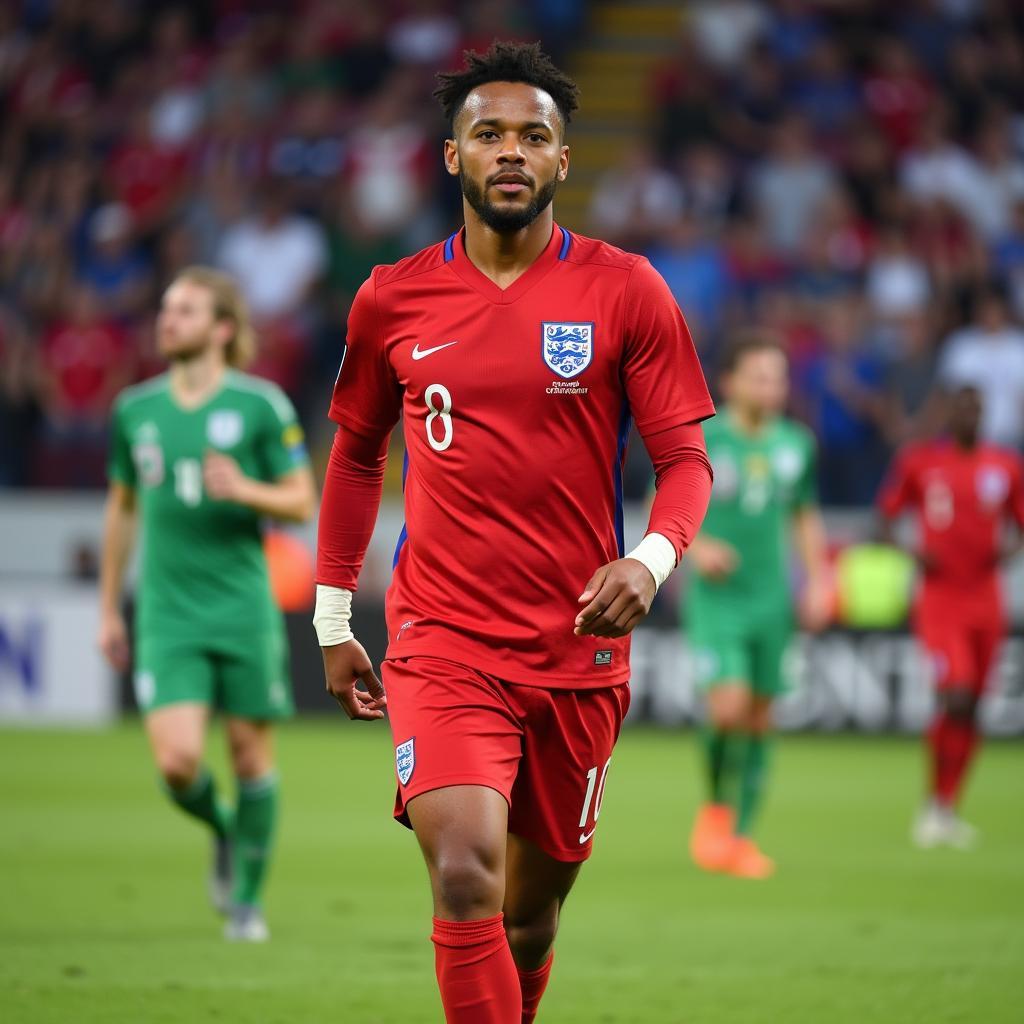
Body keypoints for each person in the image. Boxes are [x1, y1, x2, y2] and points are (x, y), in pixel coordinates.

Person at [313, 41, 715, 1024]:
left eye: (532, 136)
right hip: (443, 641)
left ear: (562, 161)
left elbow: (687, 464)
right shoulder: (391, 298)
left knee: (529, 919)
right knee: (463, 875)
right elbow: (358, 455)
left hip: (578, 653)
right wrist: (332, 617)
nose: (509, 151)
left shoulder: (626, 291)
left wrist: (649, 559)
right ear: (451, 155)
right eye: (486, 133)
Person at [97, 266, 316, 941]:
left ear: (222, 330)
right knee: (177, 762)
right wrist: (109, 607)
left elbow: (302, 500)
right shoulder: (135, 411)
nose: (169, 320)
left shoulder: (260, 407)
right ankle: (223, 830)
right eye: (167, 308)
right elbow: (123, 509)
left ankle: (247, 902)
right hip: (167, 611)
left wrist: (247, 490)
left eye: (186, 310)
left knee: (251, 755)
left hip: (242, 604)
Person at [686, 334, 830, 879]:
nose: (772, 388)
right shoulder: (704, 438)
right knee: (727, 709)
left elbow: (804, 516)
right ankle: (716, 808)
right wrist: (697, 548)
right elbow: (665, 503)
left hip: (774, 601)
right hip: (720, 600)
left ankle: (742, 837)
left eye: (779, 378)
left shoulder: (797, 444)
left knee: (761, 717)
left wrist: (819, 579)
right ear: (731, 383)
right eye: (761, 377)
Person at [877, 385, 1024, 848]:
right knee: (956, 693)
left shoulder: (1004, 466)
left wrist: (1009, 548)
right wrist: (913, 551)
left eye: (976, 409)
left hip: (987, 599)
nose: (969, 416)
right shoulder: (920, 463)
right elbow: (884, 519)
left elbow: (1020, 523)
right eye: (960, 407)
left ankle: (945, 806)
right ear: (945, 414)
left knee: (974, 705)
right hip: (940, 601)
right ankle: (932, 806)